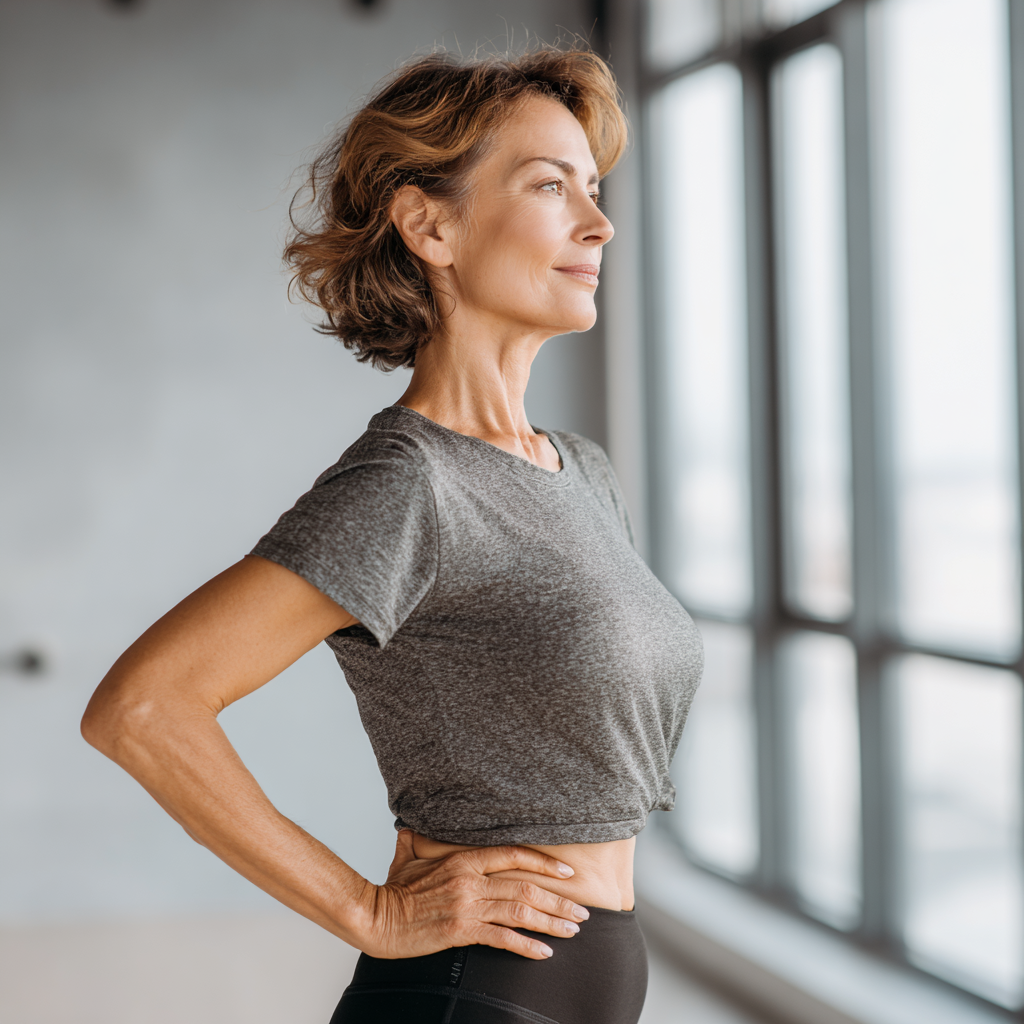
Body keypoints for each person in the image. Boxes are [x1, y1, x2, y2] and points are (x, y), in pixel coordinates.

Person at [81, 45, 703, 1024]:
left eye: (594, 186)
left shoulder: (579, 470)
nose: (599, 221)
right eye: (550, 185)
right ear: (430, 224)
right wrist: (363, 909)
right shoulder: (412, 483)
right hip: (478, 992)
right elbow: (143, 707)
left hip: (590, 977)